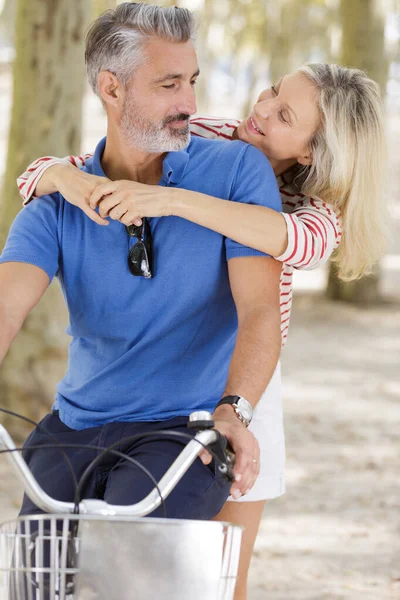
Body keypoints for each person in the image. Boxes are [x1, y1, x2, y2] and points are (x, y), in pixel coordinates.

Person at [17, 56, 388, 599]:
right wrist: (61, 177)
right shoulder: (212, 134)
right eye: (270, 92)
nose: (260, 110)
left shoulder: (318, 214)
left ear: (312, 150)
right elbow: (45, 173)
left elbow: (285, 239)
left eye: (283, 114)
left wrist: (167, 200)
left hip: (247, 381)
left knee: (220, 575)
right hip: (170, 374)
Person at [1, 0, 284, 547]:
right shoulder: (58, 205)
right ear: (112, 88)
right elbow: (7, 307)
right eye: (169, 85)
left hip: (186, 430)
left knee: (127, 557)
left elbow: (259, 310)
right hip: (73, 428)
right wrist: (59, 178)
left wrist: (233, 414)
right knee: (37, 570)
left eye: (193, 81)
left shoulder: (234, 172)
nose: (190, 103)